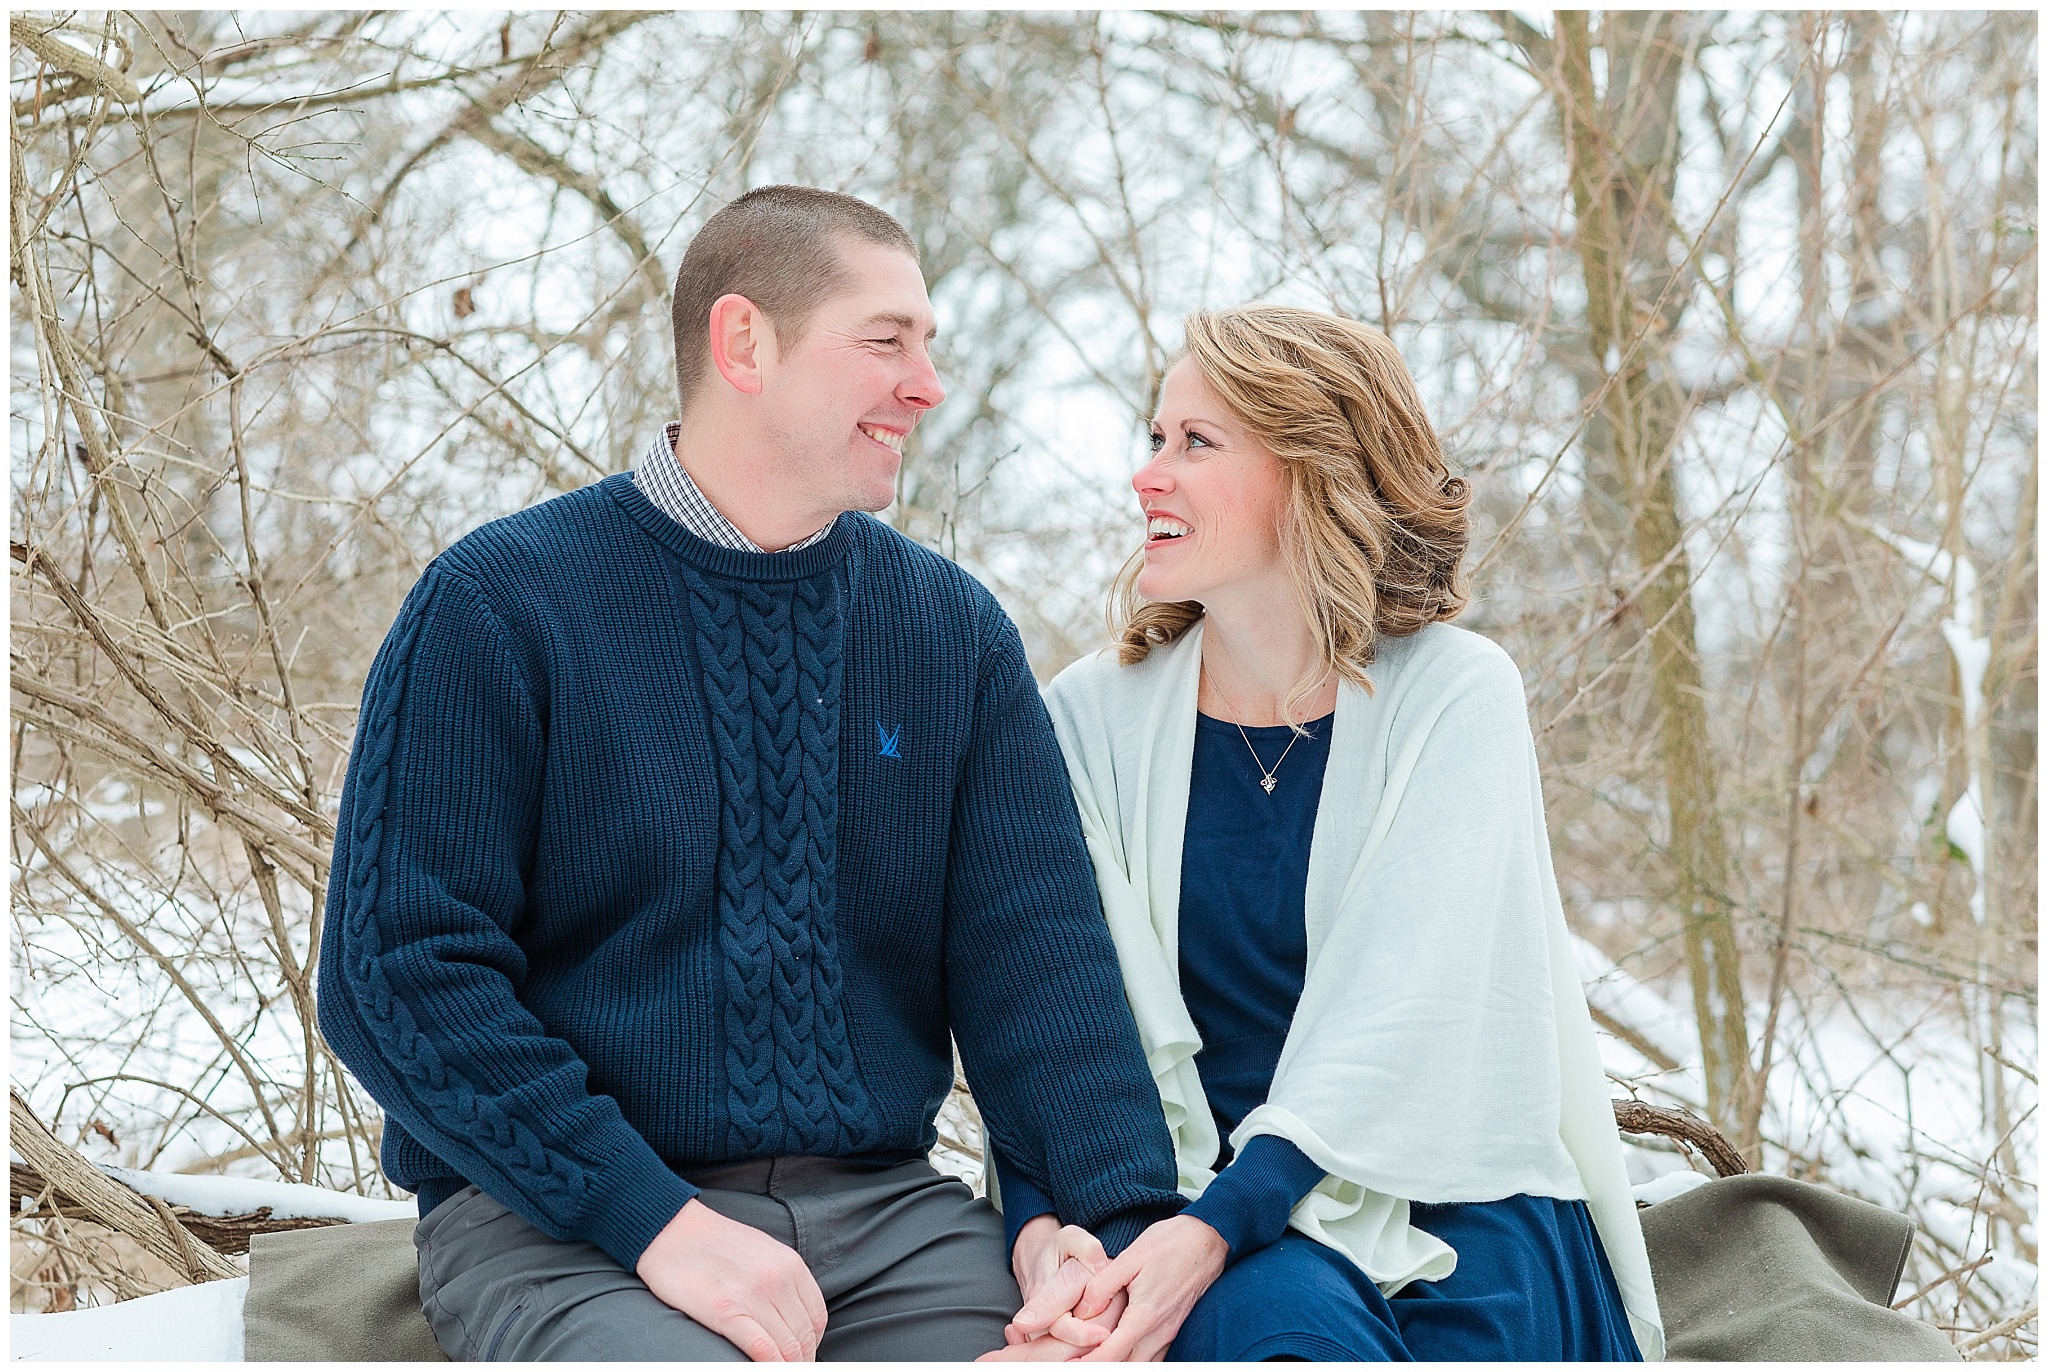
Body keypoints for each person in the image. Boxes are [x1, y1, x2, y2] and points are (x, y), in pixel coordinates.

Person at [315, 185, 1185, 1362]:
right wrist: (653, 1217)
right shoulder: (498, 604)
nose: (925, 385)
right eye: (885, 342)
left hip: (891, 1221)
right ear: (743, 344)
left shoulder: (947, 634)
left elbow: (1037, 968)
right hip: (569, 1225)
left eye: (928, 346)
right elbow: (397, 978)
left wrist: (1096, 1224)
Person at [979, 305, 1666, 1362]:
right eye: (1152, 439)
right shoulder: (1091, 716)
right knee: (1280, 1333)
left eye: (1195, 443)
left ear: (1314, 469)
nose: (1147, 476)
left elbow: (1407, 1011)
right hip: (1199, 1207)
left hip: (1440, 1197)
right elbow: (1046, 1015)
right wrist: (1047, 1232)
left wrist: (1210, 1234)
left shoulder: (1453, 696)